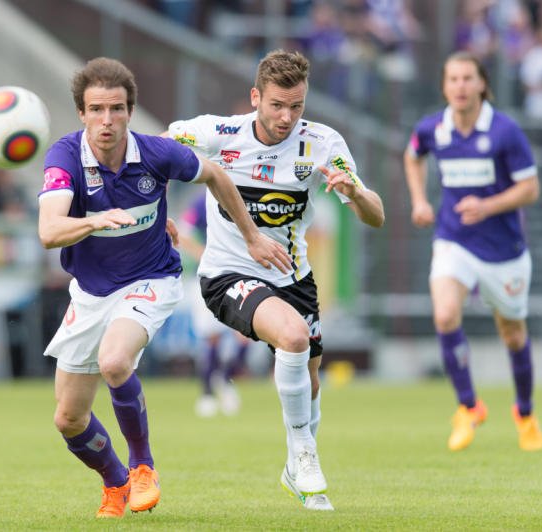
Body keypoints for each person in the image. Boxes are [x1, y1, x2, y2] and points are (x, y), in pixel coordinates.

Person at [38, 57, 289, 519]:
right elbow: (49, 230)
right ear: (81, 113)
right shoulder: (65, 157)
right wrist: (95, 220)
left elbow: (215, 175)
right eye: (97, 110)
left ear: (130, 111)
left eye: (116, 109)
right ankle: (115, 482)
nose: (107, 120)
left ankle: (142, 467)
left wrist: (252, 236)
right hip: (90, 292)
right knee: (68, 418)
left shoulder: (156, 153)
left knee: (115, 361)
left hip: (151, 278)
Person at [167, 49, 385, 511]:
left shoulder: (323, 143)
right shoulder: (218, 133)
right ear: (255, 98)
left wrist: (354, 192)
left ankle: (294, 469)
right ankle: (304, 453)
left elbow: (376, 216)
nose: (287, 117)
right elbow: (152, 150)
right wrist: (156, 212)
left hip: (293, 277)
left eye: (296, 106)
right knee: (293, 336)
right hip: (227, 273)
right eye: (277, 105)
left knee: (311, 381)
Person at [404, 51, 542, 452]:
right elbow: (412, 156)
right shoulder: (434, 128)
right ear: (444, 86)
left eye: (468, 78)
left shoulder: (505, 131)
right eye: (453, 79)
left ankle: (525, 413)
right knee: (445, 314)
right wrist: (419, 201)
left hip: (504, 250)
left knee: (512, 334)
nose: (460, 86)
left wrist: (487, 206)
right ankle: (469, 406)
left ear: (482, 83)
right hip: (454, 240)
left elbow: (530, 189)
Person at [178, 190, 251, 418]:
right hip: (210, 278)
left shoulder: (248, 193)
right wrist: (205, 255)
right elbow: (183, 233)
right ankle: (207, 393)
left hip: (243, 275)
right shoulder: (203, 200)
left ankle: (225, 379)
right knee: (212, 337)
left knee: (246, 334)